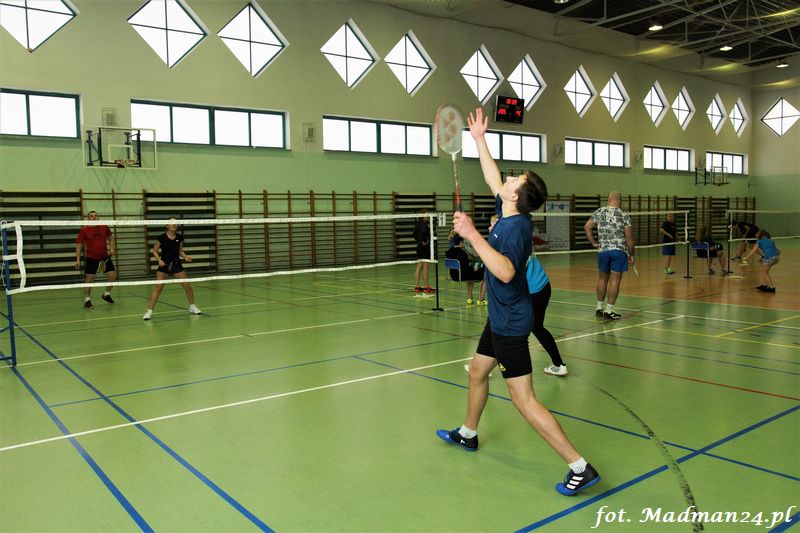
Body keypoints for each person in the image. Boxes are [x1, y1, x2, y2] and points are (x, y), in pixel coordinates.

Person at [437, 107, 600, 497]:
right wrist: (479, 140)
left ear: (515, 197)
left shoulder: (513, 229)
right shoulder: (511, 211)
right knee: (477, 372)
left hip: (510, 323)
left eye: (514, 179)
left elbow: (507, 271)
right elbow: (492, 177)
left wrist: (472, 235)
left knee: (524, 400)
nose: (508, 179)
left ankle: (579, 467)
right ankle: (468, 432)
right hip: (500, 317)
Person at [583, 192, 635, 320]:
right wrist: (631, 254)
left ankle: (599, 308)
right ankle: (609, 310)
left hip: (603, 251)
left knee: (602, 279)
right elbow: (629, 239)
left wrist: (593, 243)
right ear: (620, 201)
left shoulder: (600, 211)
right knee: (615, 280)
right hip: (619, 251)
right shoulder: (624, 215)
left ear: (609, 199)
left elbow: (587, 227)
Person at [142, 218, 202, 320]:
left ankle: (192, 306)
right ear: (167, 226)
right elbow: (155, 251)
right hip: (164, 264)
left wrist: (185, 256)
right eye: (172, 223)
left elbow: (180, 251)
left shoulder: (179, 238)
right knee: (158, 287)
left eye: (175, 223)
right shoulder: (161, 237)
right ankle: (149, 311)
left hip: (176, 264)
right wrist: (159, 260)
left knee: (187, 285)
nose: (174, 225)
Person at [527, 253, 568, 376]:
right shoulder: (523, 239)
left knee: (506, 327)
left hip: (531, 291)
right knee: (537, 327)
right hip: (543, 286)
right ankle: (558, 365)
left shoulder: (505, 244)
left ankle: (484, 366)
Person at [75, 210, 117, 309]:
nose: (94, 217)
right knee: (90, 279)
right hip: (91, 258)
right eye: (91, 216)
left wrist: (112, 248)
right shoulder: (84, 230)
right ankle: (87, 301)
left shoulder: (104, 227)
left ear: (98, 217)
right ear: (88, 218)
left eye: (95, 216)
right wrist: (77, 259)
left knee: (113, 276)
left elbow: (110, 237)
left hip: (103, 258)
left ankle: (106, 294)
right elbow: (79, 245)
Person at [445, 235, 484, 303]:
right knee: (484, 276)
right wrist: (474, 269)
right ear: (460, 242)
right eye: (463, 242)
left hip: (453, 275)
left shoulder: (449, 252)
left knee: (470, 277)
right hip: (461, 275)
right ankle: (481, 299)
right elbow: (465, 268)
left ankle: (469, 298)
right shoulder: (462, 253)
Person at [412, 212, 434, 294]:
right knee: (425, 267)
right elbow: (424, 234)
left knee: (419, 267)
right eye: (426, 214)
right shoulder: (423, 224)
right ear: (422, 216)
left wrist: (419, 241)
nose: (427, 216)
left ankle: (417, 286)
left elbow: (413, 234)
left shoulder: (417, 224)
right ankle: (426, 287)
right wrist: (424, 241)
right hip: (424, 248)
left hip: (419, 247)